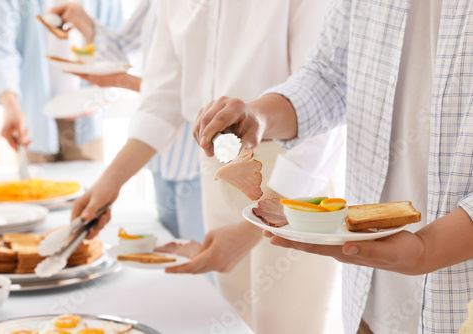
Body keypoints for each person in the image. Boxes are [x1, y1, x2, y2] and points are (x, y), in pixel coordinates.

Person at [193, 1, 473, 333]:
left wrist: (428, 249)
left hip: (456, 298)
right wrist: (261, 115)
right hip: (367, 295)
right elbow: (329, 75)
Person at [71, 0, 345, 332]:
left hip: (292, 180)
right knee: (237, 320)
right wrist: (109, 182)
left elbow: (323, 115)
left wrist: (250, 230)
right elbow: (163, 96)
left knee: (288, 326)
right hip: (216, 167)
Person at [49, 1, 205, 242]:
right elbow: (123, 51)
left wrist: (127, 82)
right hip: (159, 155)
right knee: (176, 254)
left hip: (199, 156)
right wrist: (84, 22)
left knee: (203, 266)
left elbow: (188, 91)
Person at [0, 0, 123, 163]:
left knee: (89, 184)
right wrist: (11, 105)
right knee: (37, 185)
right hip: (30, 117)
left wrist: (103, 90)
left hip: (86, 117)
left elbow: (118, 43)